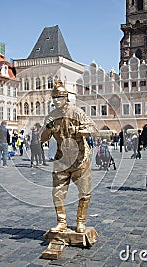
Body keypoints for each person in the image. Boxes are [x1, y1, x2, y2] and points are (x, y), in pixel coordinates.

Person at [40, 80, 97, 233]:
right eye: (54, 98)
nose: (56, 101)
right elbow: (42, 138)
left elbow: (92, 128)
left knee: (84, 192)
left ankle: (80, 221)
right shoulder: (51, 116)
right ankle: (61, 221)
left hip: (80, 158)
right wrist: (48, 128)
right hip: (62, 159)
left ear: (66, 98)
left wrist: (78, 130)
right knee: (57, 192)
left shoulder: (76, 112)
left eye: (59, 98)